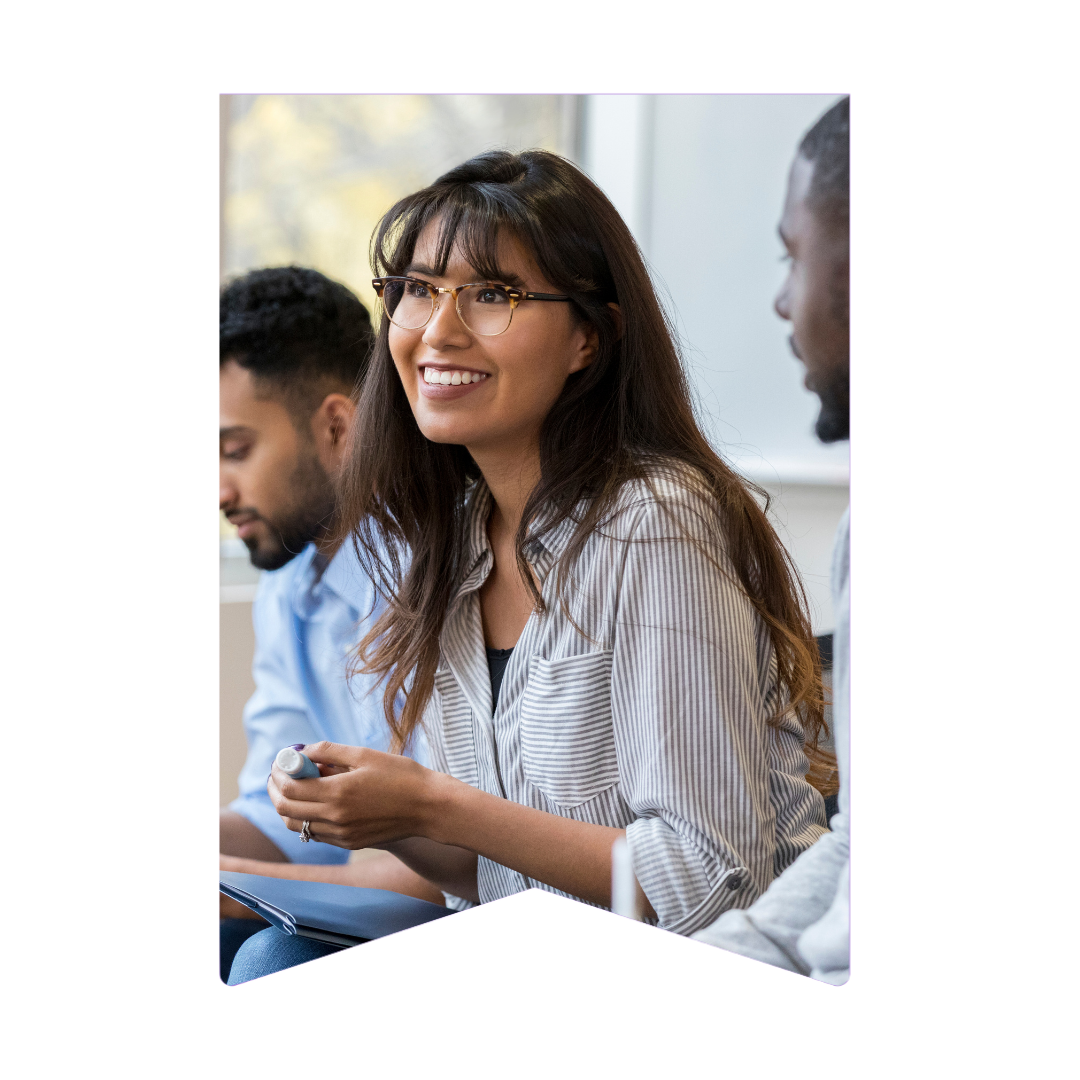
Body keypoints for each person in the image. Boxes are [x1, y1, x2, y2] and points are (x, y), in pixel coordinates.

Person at [227, 148, 835, 984]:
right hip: (534, 967)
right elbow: (508, 878)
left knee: (269, 964)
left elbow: (707, 880)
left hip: (686, 983)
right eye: (416, 289)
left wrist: (435, 804)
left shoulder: (653, 522)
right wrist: (380, 816)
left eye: (490, 295)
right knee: (266, 951)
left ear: (590, 336)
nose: (437, 329)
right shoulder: (453, 538)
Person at [218, 267, 443, 980]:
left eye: (235, 450)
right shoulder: (290, 582)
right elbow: (279, 819)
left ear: (338, 427)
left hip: (460, 906)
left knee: (272, 954)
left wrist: (221, 882)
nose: (219, 491)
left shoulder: (431, 576)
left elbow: (428, 879)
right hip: (375, 891)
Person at [692, 97, 850, 983]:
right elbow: (862, 847)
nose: (783, 301)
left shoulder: (660, 523)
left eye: (796, 254)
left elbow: (708, 869)